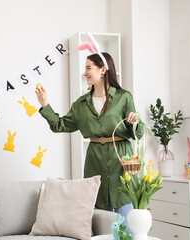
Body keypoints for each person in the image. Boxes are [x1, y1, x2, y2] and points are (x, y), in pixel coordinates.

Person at [35, 51, 143, 229]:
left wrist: (134, 122)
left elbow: (137, 134)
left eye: (88, 68)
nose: (85, 73)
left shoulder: (124, 97)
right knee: (102, 222)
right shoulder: (81, 104)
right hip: (95, 162)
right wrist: (45, 105)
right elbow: (60, 125)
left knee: (126, 219)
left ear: (103, 70)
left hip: (121, 161)